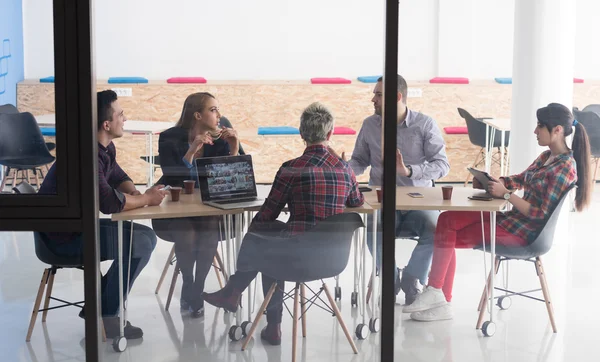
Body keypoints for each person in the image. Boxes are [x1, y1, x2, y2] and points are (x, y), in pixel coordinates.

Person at [404, 103, 592, 321]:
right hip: (512, 220)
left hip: (526, 234)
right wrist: (495, 182)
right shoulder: (545, 157)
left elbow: (539, 214)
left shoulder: (565, 168)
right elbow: (520, 179)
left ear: (557, 130)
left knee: (447, 233)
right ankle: (439, 296)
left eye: (540, 126)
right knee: (447, 219)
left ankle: (437, 293)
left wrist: (505, 195)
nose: (535, 131)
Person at [202, 102, 364, 345]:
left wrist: (251, 235)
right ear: (330, 134)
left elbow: (268, 214)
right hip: (332, 258)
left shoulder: (291, 169)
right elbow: (356, 201)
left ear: (301, 134)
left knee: (266, 240)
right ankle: (234, 293)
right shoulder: (345, 169)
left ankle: (267, 319)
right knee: (271, 241)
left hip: (295, 257)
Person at [38, 90, 166, 339]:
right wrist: (146, 200)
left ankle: (99, 310)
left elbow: (117, 176)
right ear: (106, 124)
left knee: (147, 238)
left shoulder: (103, 147)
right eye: (121, 114)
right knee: (140, 242)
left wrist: (135, 192)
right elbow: (109, 203)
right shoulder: (87, 155)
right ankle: (107, 315)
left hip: (79, 226)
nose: (125, 119)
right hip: (62, 239)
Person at [347, 75, 450, 305]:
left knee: (437, 230)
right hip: (384, 202)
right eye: (375, 93)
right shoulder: (369, 125)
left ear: (397, 97)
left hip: (419, 203)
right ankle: (390, 279)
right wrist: (343, 169)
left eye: (379, 94)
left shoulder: (424, 124)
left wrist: (409, 172)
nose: (373, 99)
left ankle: (412, 279)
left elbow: (442, 165)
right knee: (374, 228)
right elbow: (360, 161)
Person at [152, 92, 243, 317]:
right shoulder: (169, 138)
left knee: (209, 225)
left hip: (209, 209)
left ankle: (197, 287)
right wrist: (191, 150)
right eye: (213, 110)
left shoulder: (221, 139)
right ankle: (189, 282)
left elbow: (232, 179)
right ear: (197, 115)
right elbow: (172, 177)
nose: (219, 115)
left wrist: (234, 149)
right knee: (188, 232)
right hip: (178, 209)